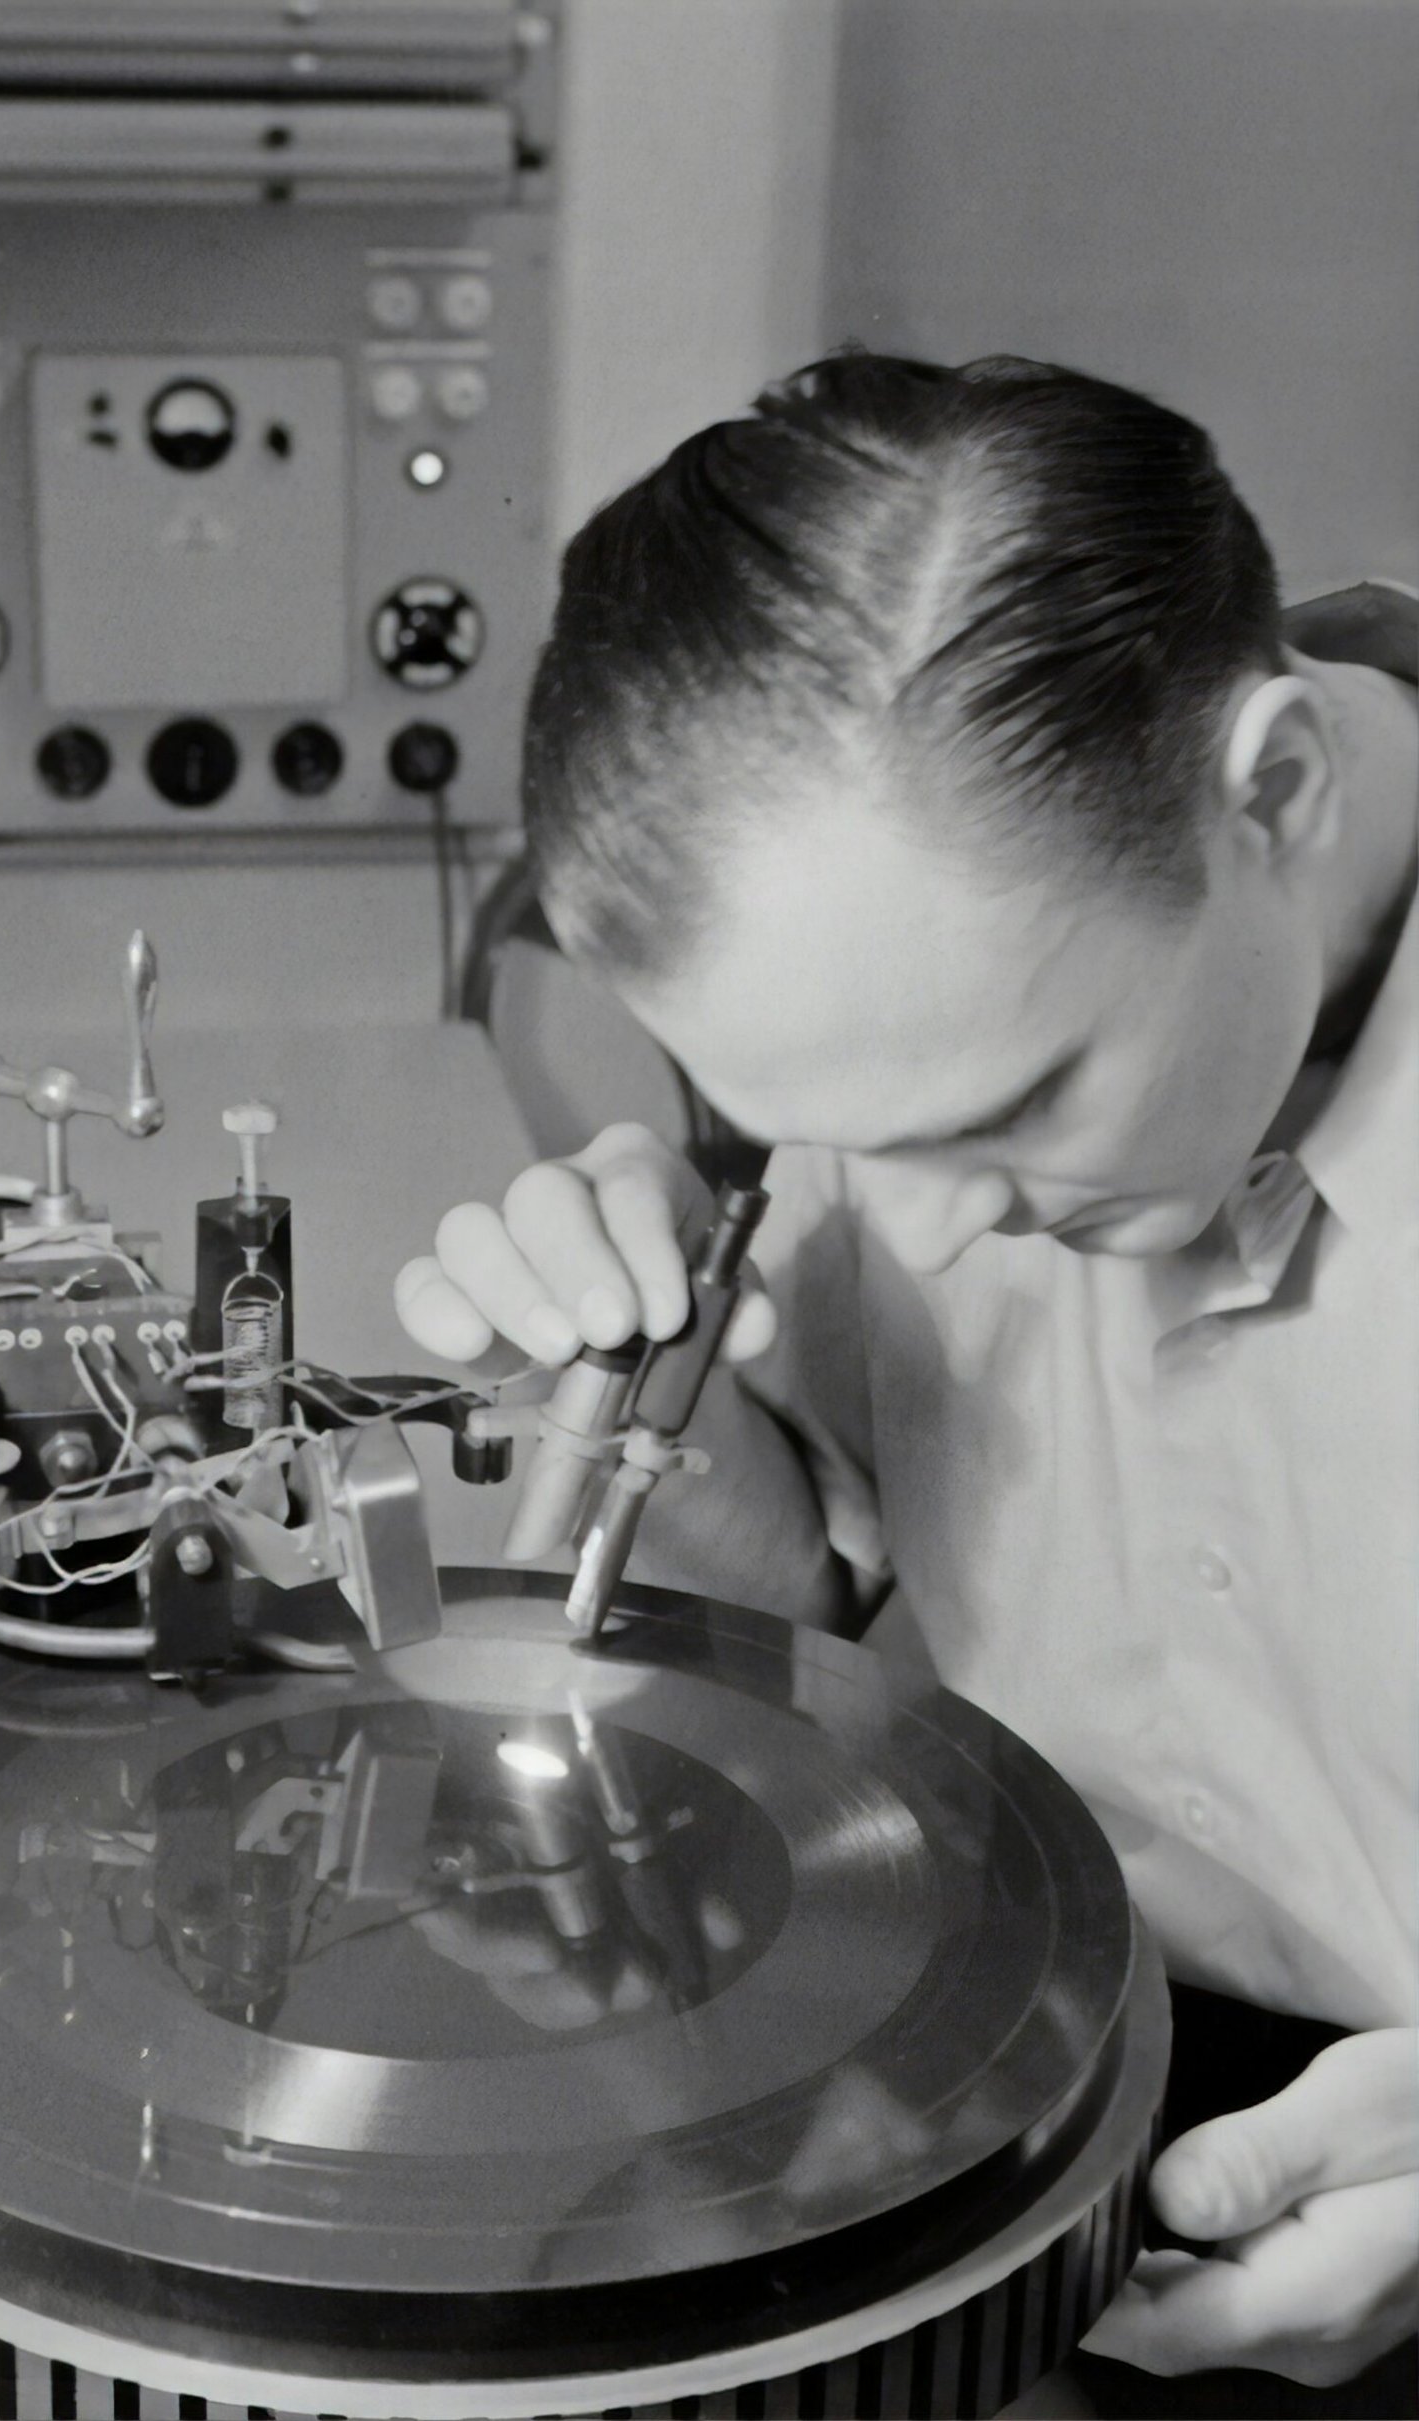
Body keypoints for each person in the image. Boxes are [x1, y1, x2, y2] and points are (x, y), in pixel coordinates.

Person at [394, 354, 1418, 2406]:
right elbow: (829, 1613)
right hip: (1031, 2087)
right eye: (848, 1136)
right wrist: (666, 1416)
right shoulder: (951, 997)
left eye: (1012, 1103)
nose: (933, 1238)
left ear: (1277, 792)